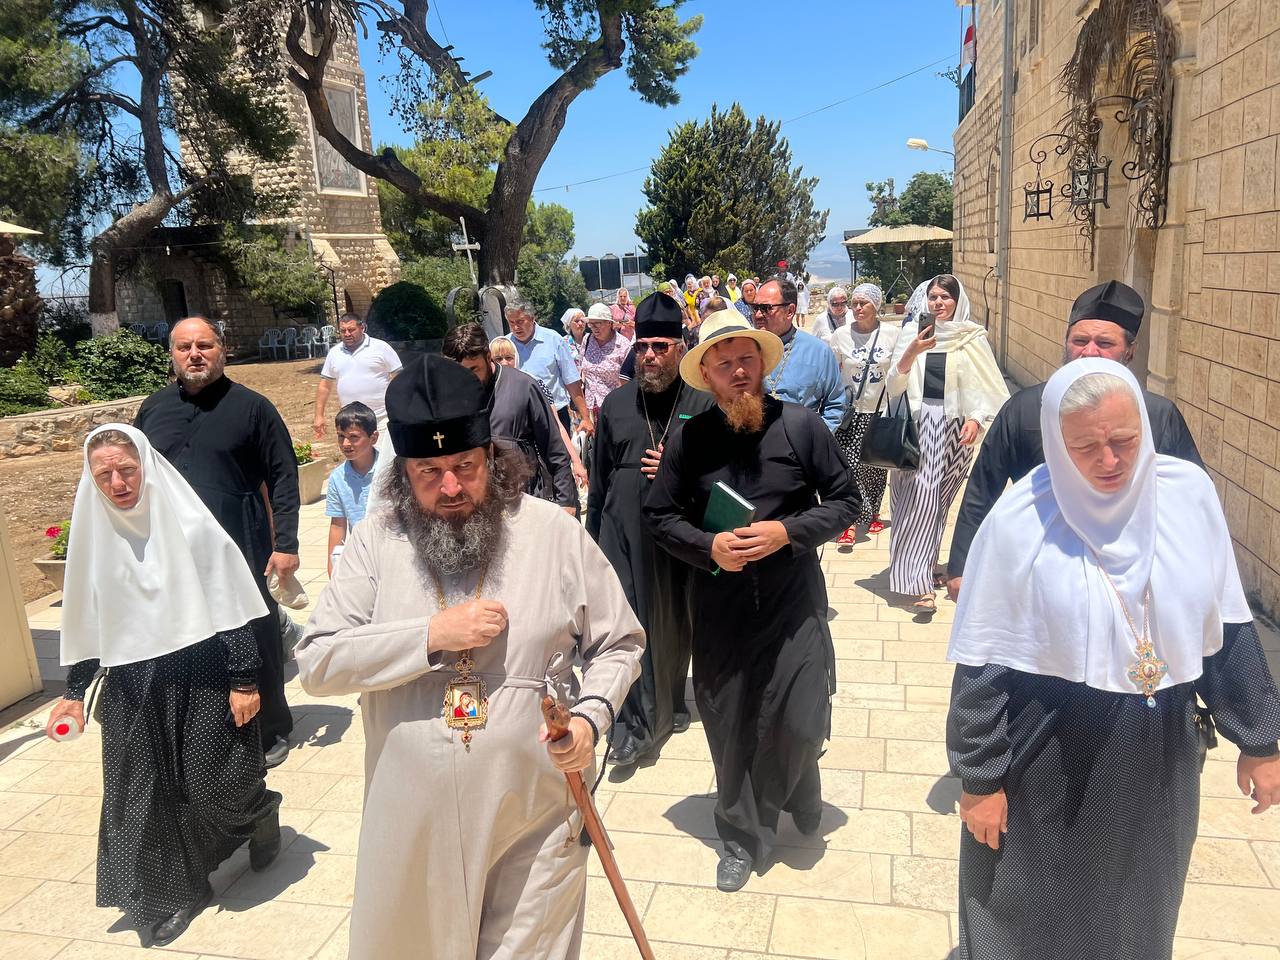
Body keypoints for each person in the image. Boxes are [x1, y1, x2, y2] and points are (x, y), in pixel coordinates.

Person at [295, 353, 644, 959]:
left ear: (492, 458)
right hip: (414, 818)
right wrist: (429, 635)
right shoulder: (377, 541)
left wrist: (591, 719)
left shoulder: (551, 532)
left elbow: (620, 642)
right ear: (402, 474)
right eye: (429, 472)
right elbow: (318, 660)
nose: (451, 487)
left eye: (465, 466)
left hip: (535, 811)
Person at [946, 358, 1280, 960]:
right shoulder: (1022, 520)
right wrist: (980, 780)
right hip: (1048, 751)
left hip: (1158, 746)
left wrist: (1260, 740)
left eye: (1124, 440)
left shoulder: (1187, 497)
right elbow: (983, 662)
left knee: (1139, 910)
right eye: (1085, 447)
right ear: (1056, 444)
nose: (1110, 460)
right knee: (1027, 912)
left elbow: (1225, 622)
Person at [645, 309, 860, 892]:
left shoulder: (801, 427)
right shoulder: (690, 438)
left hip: (793, 604)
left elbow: (847, 501)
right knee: (731, 724)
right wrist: (709, 545)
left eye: (746, 359)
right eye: (724, 364)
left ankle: (800, 783)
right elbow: (660, 516)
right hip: (722, 609)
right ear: (708, 375)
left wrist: (787, 532)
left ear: (763, 364)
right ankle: (739, 836)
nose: (737, 371)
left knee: (801, 720)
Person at [47, 425, 282, 947]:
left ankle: (261, 815)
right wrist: (74, 693)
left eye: (127, 470)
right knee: (143, 796)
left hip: (203, 674)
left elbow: (229, 605)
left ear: (147, 468)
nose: (118, 483)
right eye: (104, 474)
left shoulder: (191, 527)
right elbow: (89, 622)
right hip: (133, 686)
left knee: (214, 786)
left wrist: (244, 679)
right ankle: (177, 891)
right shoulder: (94, 541)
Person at [947, 280, 1203, 599]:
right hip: (1040, 574)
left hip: (1131, 580)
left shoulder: (1158, 416)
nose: (1089, 351)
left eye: (1104, 343)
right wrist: (961, 565)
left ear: (1130, 351)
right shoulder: (1024, 409)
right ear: (1066, 343)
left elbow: (1191, 500)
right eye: (1080, 340)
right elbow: (983, 488)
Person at [135, 316, 298, 766]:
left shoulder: (253, 408)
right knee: (191, 632)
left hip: (241, 538)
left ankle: (270, 728)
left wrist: (286, 545)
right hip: (173, 548)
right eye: (184, 347)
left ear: (222, 350)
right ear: (171, 354)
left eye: (204, 345)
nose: (194, 354)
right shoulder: (153, 409)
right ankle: (205, 724)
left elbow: (283, 477)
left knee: (255, 629)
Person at [587, 293, 715, 767]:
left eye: (660, 347)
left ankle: (673, 700)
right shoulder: (617, 404)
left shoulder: (703, 404)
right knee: (631, 624)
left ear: (681, 348)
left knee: (676, 621)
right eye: (642, 347)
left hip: (682, 533)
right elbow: (599, 477)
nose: (650, 356)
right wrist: (591, 541)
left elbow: (723, 479)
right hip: (623, 534)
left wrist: (678, 472)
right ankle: (636, 727)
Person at [884, 275, 1008, 612]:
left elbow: (986, 386)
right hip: (919, 427)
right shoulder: (913, 333)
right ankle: (919, 582)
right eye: (933, 297)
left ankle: (924, 564)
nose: (938, 303)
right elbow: (894, 385)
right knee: (918, 501)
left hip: (956, 430)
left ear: (957, 300)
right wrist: (912, 351)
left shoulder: (971, 337)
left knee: (938, 502)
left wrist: (976, 419)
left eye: (945, 297)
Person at [444, 323, 577, 513]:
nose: (466, 379)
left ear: (488, 357)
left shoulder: (524, 385)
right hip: (475, 503)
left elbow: (553, 447)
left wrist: (565, 500)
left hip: (522, 498)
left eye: (474, 369)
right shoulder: (449, 395)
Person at [829, 283, 900, 542]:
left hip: (881, 411)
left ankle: (873, 514)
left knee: (876, 468)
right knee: (850, 468)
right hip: (851, 413)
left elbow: (900, 371)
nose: (858, 308)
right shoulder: (841, 335)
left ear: (876, 305)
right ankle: (850, 520)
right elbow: (831, 370)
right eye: (855, 303)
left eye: (864, 303)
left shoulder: (892, 334)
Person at [750, 276, 847, 433]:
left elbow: (835, 404)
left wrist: (816, 439)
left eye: (766, 308)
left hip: (802, 441)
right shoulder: (743, 350)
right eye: (755, 308)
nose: (758, 315)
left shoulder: (819, 352)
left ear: (790, 311)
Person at [506, 298, 593, 435]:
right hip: (520, 419)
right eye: (511, 322)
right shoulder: (505, 345)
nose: (516, 327)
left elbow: (572, 380)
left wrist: (586, 418)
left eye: (520, 321)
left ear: (532, 318)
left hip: (555, 416)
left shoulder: (553, 339)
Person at [312, 313, 402, 440]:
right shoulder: (334, 353)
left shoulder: (381, 348)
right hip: (350, 422)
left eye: (351, 330)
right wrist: (319, 416)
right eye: (343, 331)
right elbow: (325, 386)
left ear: (362, 328)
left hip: (382, 420)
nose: (347, 334)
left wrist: (400, 408)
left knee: (383, 453)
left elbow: (399, 378)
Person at [326, 401, 379, 576]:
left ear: (373, 438)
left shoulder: (390, 468)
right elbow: (337, 525)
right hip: (360, 556)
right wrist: (332, 567)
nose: (346, 443)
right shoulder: (337, 478)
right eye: (341, 436)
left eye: (354, 437)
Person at [580, 302, 627, 420]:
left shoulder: (622, 344)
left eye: (598, 323)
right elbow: (582, 367)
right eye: (591, 324)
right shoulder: (587, 340)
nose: (593, 328)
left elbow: (629, 379)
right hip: (590, 407)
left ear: (609, 323)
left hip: (615, 408)